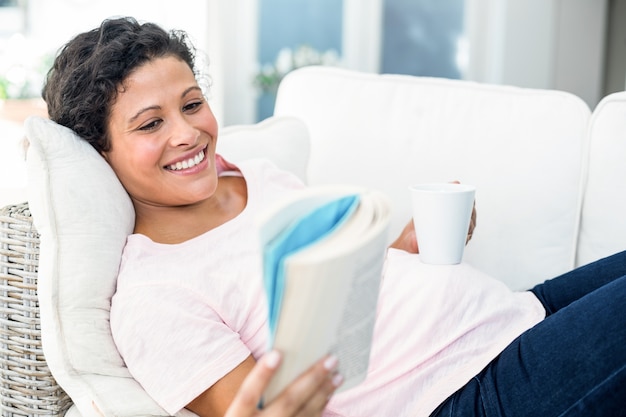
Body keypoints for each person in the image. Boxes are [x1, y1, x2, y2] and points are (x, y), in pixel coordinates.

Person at [41, 16, 625, 417]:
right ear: (101, 151)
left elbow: (349, 306)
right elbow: (265, 408)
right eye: (150, 124)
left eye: (192, 104)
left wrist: (406, 245)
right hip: (466, 391)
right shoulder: (154, 298)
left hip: (514, 314)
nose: (188, 132)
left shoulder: (252, 177)